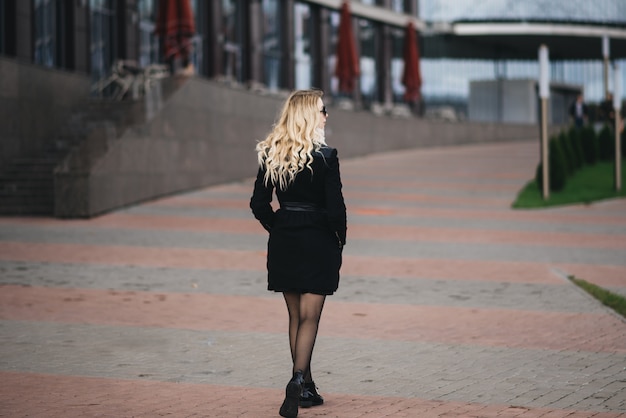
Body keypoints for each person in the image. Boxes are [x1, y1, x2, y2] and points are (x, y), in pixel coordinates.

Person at [250, 89, 347, 418]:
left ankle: (305, 384)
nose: (326, 115)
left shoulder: (272, 153)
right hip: (318, 240)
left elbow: (258, 204)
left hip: (285, 240)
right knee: (310, 318)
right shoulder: (326, 157)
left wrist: (278, 227)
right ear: (308, 115)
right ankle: (296, 380)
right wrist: (340, 240)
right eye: (322, 110)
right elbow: (336, 210)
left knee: (295, 317)